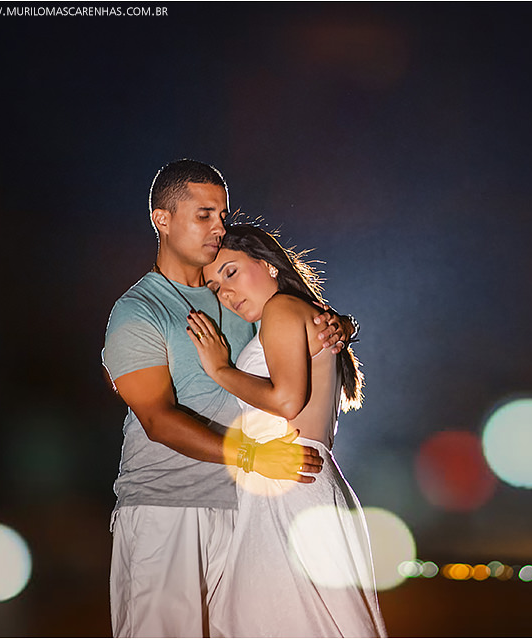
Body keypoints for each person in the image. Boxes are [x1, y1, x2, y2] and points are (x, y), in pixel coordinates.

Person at [102, 159, 354, 637]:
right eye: (205, 214)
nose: (219, 226)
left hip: (245, 511)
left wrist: (338, 325)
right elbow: (157, 419)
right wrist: (252, 456)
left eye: (223, 215)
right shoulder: (139, 310)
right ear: (163, 219)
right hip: (167, 506)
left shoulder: (237, 297)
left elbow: (290, 331)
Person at [186, 224, 386, 638]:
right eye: (214, 285)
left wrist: (220, 369)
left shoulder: (280, 310)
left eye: (231, 272)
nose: (224, 292)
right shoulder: (296, 314)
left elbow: (287, 401)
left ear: (268, 265)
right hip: (303, 480)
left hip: (292, 482)